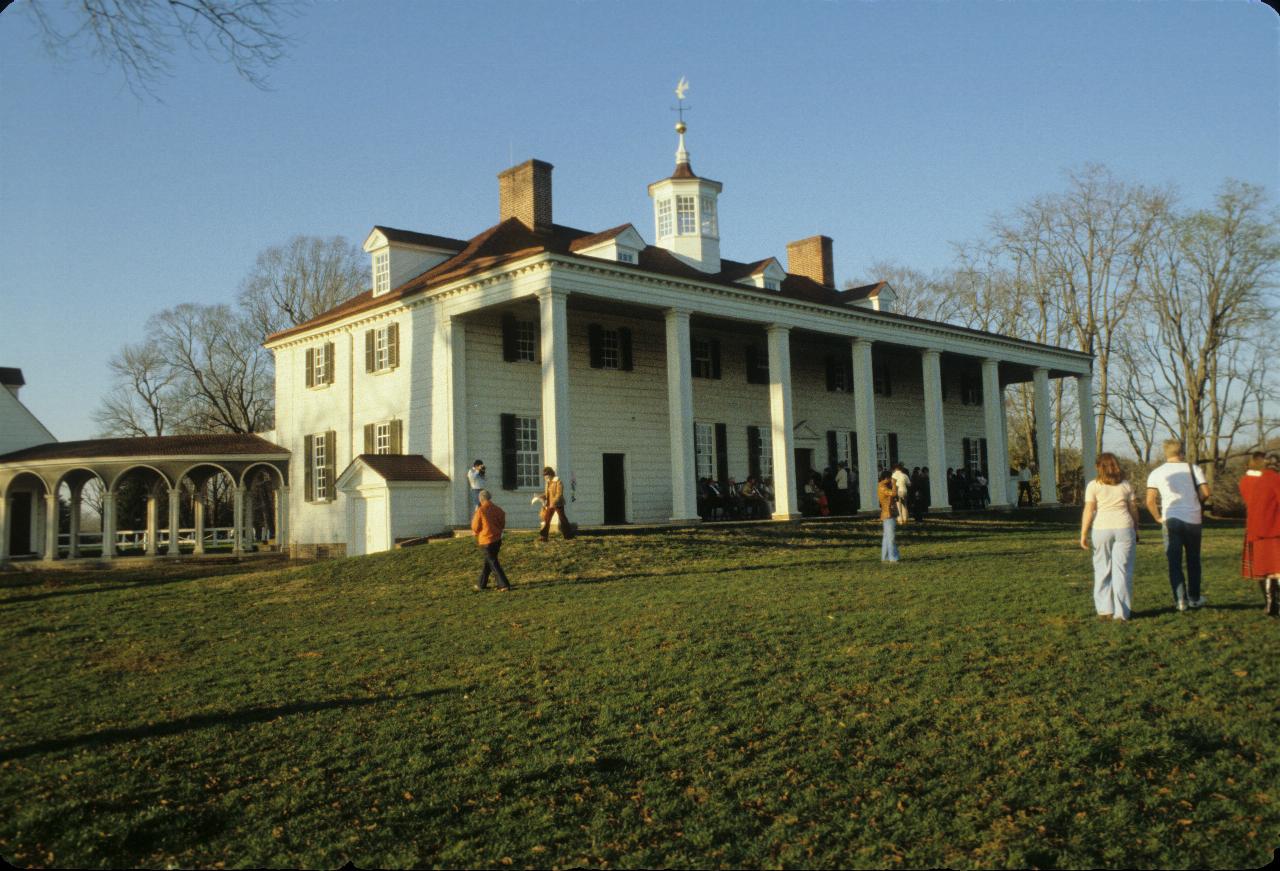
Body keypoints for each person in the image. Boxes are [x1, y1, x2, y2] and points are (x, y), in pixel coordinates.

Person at [1145, 439, 1211, 611]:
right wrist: (1196, 503)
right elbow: (1206, 492)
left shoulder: (1156, 473)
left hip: (1171, 519)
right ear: (1181, 453)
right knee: (1193, 560)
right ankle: (1195, 598)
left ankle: (1180, 601)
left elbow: (1150, 500)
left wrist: (1158, 517)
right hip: (1193, 519)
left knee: (1174, 562)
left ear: (1165, 453)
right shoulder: (1193, 468)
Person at [1080, 453, 1140, 622]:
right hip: (1124, 528)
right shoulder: (1126, 485)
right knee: (1122, 571)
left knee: (1102, 569)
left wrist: (1083, 533)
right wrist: (1136, 528)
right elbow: (1133, 509)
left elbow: (1088, 510)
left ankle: (1105, 610)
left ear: (1098, 467)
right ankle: (1122, 613)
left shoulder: (1093, 486)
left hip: (1101, 529)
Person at [1239, 451, 1280, 617]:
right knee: (1277, 567)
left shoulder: (1250, 481)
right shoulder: (1275, 479)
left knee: (1267, 568)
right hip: (1275, 528)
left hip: (1257, 528)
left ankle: (1270, 604)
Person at [470, 489, 511, 591]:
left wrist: (477, 532)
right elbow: (502, 523)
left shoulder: (481, 510)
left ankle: (504, 584)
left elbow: (475, 526)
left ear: (481, 499)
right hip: (497, 539)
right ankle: (481, 584)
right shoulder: (498, 509)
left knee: (492, 562)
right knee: (488, 562)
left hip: (486, 540)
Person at [538, 466, 575, 541]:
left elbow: (559, 494)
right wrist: (541, 496)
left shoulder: (558, 481)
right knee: (547, 519)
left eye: (546, 475)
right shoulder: (548, 483)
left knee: (562, 519)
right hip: (549, 504)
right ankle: (543, 537)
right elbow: (547, 494)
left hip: (558, 504)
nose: (545, 477)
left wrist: (554, 502)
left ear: (550, 474)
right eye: (544, 475)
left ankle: (569, 535)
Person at [878, 471, 900, 563]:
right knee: (891, 537)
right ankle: (893, 557)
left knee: (886, 537)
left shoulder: (882, 486)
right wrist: (894, 484)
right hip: (888, 514)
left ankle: (885, 556)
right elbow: (894, 494)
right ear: (886, 478)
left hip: (887, 513)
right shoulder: (883, 487)